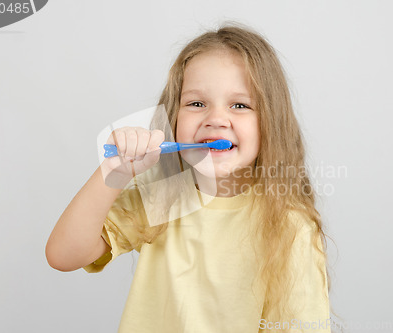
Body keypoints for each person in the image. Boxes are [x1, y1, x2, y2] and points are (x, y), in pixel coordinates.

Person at [46, 22, 332, 333]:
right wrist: (114, 172)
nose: (216, 119)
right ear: (174, 118)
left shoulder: (289, 226)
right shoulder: (160, 199)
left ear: (270, 123)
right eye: (197, 103)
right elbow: (63, 255)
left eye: (240, 105)